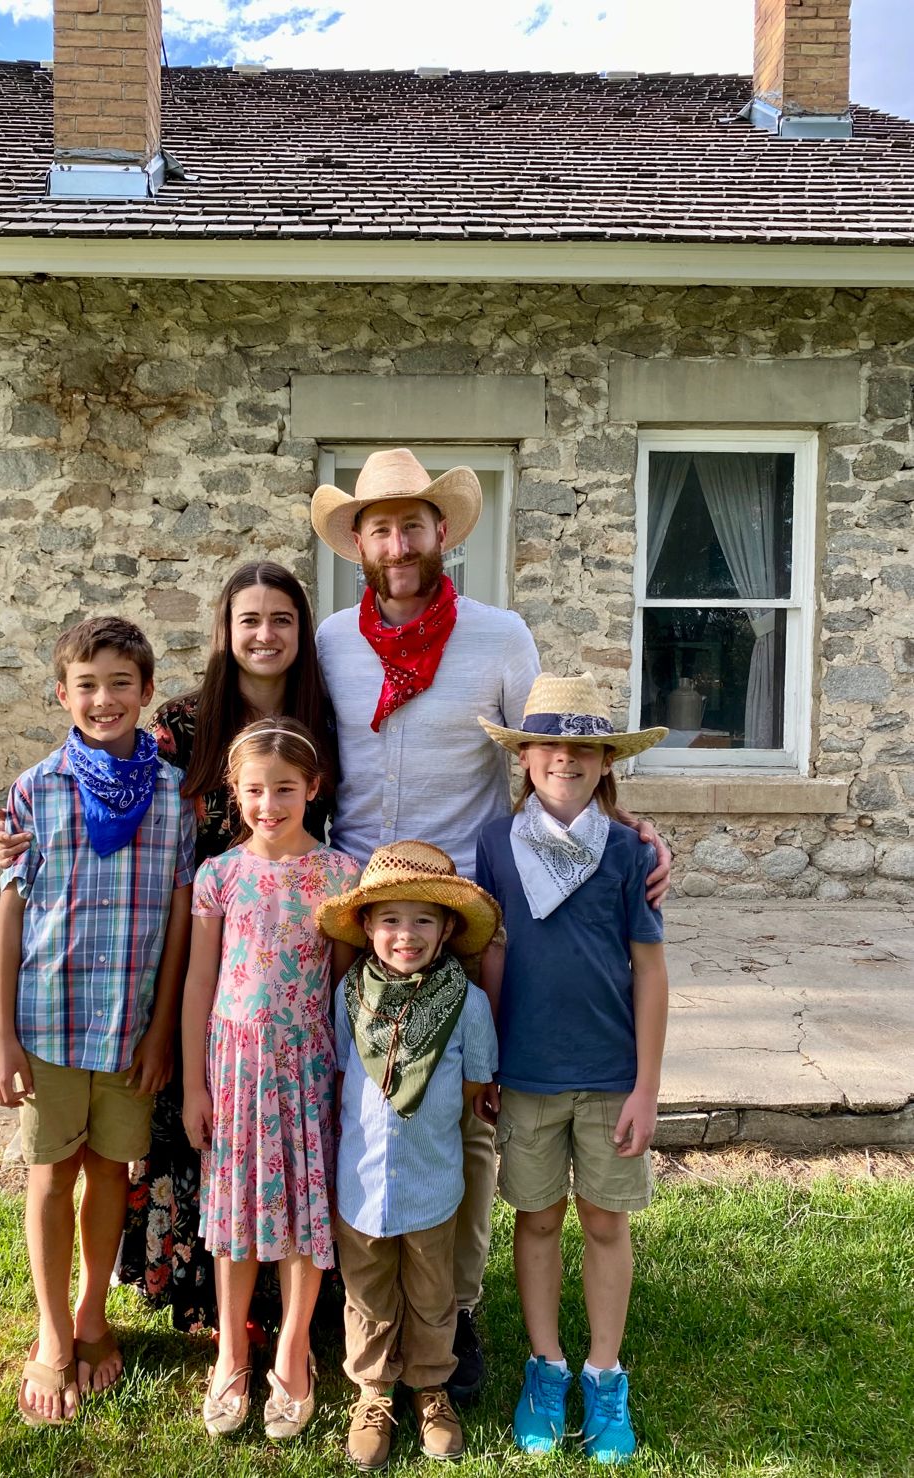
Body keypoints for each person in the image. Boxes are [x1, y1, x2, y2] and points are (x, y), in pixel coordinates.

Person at [310, 447, 672, 1401]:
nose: (397, 542)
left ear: (444, 534)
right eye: (378, 526)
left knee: (467, 1110)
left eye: (413, 523)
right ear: (358, 543)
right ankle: (355, 1296)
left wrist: (631, 825)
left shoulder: (501, 637)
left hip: (467, 914)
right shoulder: (330, 644)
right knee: (356, 1095)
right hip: (359, 913)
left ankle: (454, 1310)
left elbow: (556, 755)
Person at [0, 563, 336, 1331]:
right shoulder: (180, 724)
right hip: (184, 946)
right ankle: (200, 1296)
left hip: (259, 944)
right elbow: (48, 841)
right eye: (249, 619)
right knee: (188, 1126)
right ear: (226, 630)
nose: (265, 634)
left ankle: (285, 1302)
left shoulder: (324, 713)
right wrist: (8, 850)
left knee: (248, 1134)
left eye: (282, 619)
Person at [0, 615, 195, 1426]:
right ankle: (50, 1331)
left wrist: (160, 1031)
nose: (103, 699)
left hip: (132, 1026)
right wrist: (1, 1035)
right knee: (51, 1174)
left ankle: (92, 1315)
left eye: (120, 684)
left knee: (112, 1171)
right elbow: (11, 913)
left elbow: (180, 920)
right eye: (87, 685)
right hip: (51, 1023)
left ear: (147, 693)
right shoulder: (36, 789)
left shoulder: (174, 796)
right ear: (61, 694)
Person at [474, 672, 669, 1465]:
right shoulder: (493, 844)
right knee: (539, 1217)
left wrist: (648, 1087)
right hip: (524, 1073)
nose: (565, 758)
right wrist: (486, 1057)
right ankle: (547, 1367)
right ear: (524, 756)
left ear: (605, 761)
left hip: (610, 1073)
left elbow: (650, 970)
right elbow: (491, 950)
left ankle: (605, 1372)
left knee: (603, 1220)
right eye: (549, 744)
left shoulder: (628, 851)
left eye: (584, 747)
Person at [180, 718, 360, 1439]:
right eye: (255, 790)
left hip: (307, 1062)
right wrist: (194, 1084)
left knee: (300, 1211)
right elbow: (200, 981)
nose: (269, 804)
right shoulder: (218, 875)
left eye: (285, 789)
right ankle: (231, 1352)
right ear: (235, 791)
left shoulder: (340, 876)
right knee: (235, 1217)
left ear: (312, 789)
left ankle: (292, 1353)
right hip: (233, 1064)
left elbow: (346, 986)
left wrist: (345, 1077)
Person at [317, 842, 501, 1469]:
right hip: (362, 1185)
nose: (406, 935)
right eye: (390, 920)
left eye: (423, 919)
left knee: (431, 1290)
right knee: (367, 1291)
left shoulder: (468, 1005)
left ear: (449, 928)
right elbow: (343, 1078)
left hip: (432, 1184)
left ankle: (430, 1386)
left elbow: (476, 1088)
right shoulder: (347, 998)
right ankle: (372, 1390)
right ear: (366, 927)